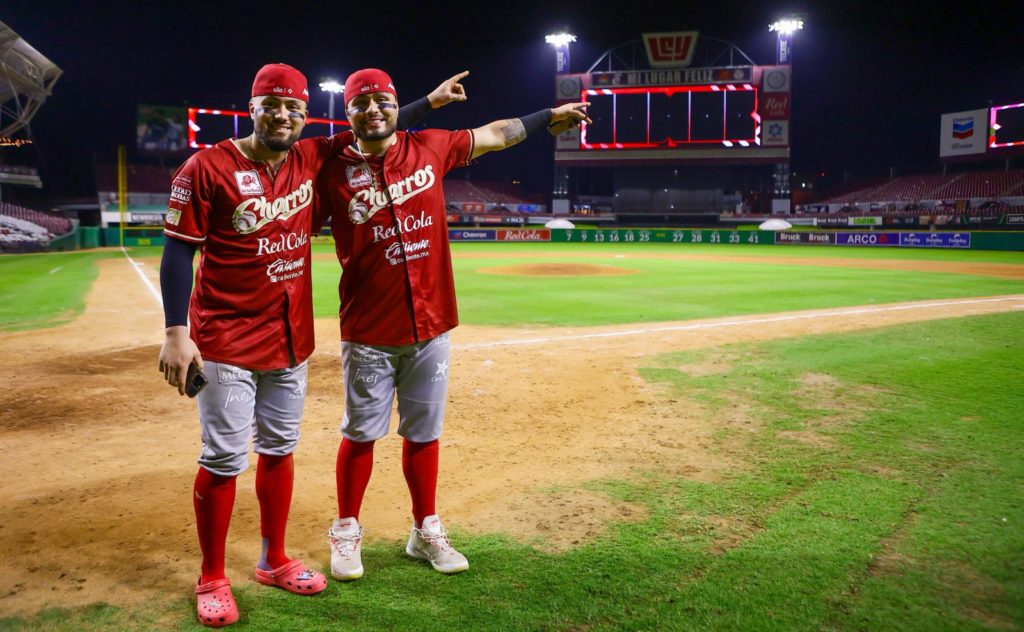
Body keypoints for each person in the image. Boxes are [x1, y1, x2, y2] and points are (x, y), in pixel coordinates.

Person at [158, 62, 467, 628]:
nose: (282, 116)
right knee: (224, 458)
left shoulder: (312, 156)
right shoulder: (207, 166)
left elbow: (375, 125)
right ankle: (212, 577)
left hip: (290, 335)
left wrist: (427, 103)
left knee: (279, 450)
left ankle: (273, 560)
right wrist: (176, 331)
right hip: (224, 338)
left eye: (294, 108)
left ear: (305, 114)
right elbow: (179, 249)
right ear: (252, 108)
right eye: (271, 106)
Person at [316, 68, 590, 580]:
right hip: (369, 328)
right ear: (346, 111)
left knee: (424, 434)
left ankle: (425, 530)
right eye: (360, 103)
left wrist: (547, 115)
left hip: (432, 323)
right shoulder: (329, 166)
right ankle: (346, 528)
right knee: (360, 435)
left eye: (383, 100)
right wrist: (427, 101)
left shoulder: (431, 147)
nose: (373, 109)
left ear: (396, 103)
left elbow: (497, 133)